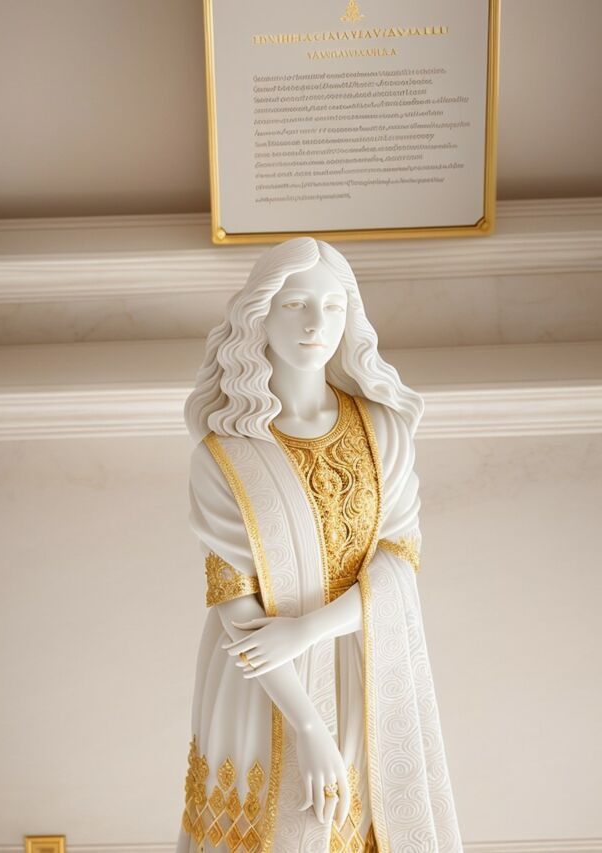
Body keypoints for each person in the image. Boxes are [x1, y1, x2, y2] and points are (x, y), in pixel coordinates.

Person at [176, 236, 463, 853]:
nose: (316, 323)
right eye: (295, 304)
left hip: (365, 658)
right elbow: (234, 598)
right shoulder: (222, 454)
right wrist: (307, 725)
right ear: (259, 316)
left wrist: (308, 630)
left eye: (333, 307)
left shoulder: (384, 428)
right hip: (263, 677)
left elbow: (399, 558)